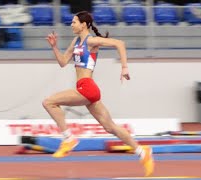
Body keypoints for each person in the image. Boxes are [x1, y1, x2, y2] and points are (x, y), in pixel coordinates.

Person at [43, 11, 154, 176]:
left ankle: (68, 138)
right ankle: (142, 151)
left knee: (49, 102)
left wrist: (124, 67)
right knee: (111, 127)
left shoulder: (92, 41)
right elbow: (63, 62)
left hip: (86, 88)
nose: (71, 24)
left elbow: (119, 44)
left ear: (83, 24)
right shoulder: (75, 41)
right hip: (88, 90)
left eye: (74, 22)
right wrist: (54, 47)